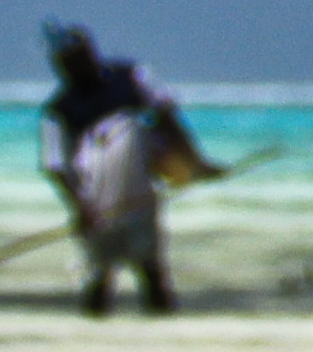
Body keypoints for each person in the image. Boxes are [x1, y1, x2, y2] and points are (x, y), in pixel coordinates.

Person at [39, 24, 220, 317]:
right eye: (68, 62)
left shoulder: (131, 78)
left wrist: (194, 163)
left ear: (90, 52)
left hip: (139, 194)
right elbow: (57, 166)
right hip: (97, 202)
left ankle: (162, 333)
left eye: (80, 56)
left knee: (151, 269)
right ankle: (91, 336)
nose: (76, 66)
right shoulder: (60, 111)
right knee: (99, 275)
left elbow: (166, 117)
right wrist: (81, 209)